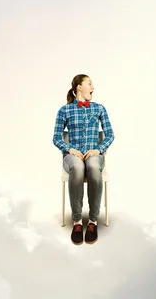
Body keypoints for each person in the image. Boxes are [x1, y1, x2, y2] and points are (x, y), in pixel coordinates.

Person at [52, 74, 115, 245]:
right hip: (72, 156)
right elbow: (56, 138)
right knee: (78, 168)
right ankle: (78, 222)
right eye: (89, 83)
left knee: (94, 167)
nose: (93, 87)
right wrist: (69, 149)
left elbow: (110, 135)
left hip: (94, 154)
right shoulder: (64, 110)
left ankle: (93, 222)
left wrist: (98, 149)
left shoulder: (99, 108)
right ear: (79, 87)